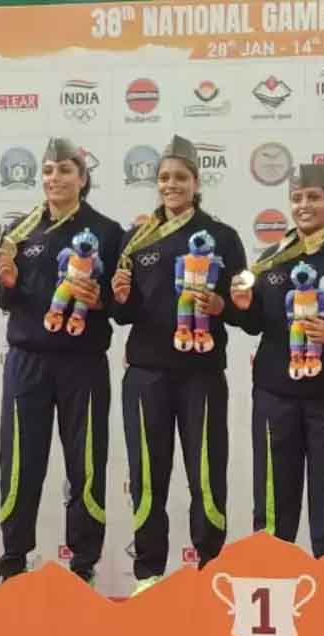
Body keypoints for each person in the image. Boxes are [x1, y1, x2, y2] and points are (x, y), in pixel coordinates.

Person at [110, 135, 247, 595]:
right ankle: (149, 574)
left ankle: (210, 569)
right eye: (165, 178)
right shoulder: (137, 237)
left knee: (206, 474)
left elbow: (245, 311)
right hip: (146, 373)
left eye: (181, 178)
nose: (172, 185)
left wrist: (222, 304)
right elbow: (122, 314)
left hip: (200, 375)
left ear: (196, 182)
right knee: (148, 476)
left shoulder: (223, 237)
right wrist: (120, 298)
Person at [0, 137, 124, 585]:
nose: (55, 178)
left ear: (83, 178)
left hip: (82, 364)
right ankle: (14, 562)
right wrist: (8, 282)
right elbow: (4, 298)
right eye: (48, 170)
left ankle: (83, 565)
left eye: (65, 170)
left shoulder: (108, 232)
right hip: (26, 362)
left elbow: (122, 304)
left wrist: (100, 298)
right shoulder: (20, 229)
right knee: (19, 463)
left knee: (85, 466)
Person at [230, 164, 324, 576]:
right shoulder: (272, 258)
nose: (305, 205)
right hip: (275, 395)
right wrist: (243, 307)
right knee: (274, 497)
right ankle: (271, 575)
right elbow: (255, 323)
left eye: (313, 197)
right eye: (297, 198)